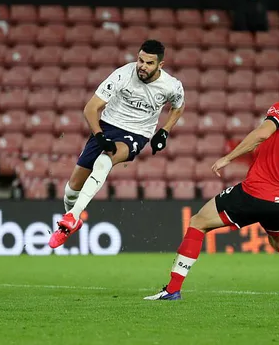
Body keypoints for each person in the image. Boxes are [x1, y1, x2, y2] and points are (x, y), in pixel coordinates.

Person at [144, 75, 279, 301]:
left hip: (254, 192)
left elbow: (261, 134)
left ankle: (173, 289)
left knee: (198, 222)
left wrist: (229, 158)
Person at [49, 40, 185, 248]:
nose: (142, 66)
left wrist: (164, 131)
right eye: (140, 60)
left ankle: (71, 218)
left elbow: (178, 106)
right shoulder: (123, 74)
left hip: (137, 133)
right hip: (107, 126)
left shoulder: (171, 86)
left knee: (105, 160)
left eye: (149, 63)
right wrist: (100, 136)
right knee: (71, 190)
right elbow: (90, 108)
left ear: (160, 65)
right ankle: (71, 217)